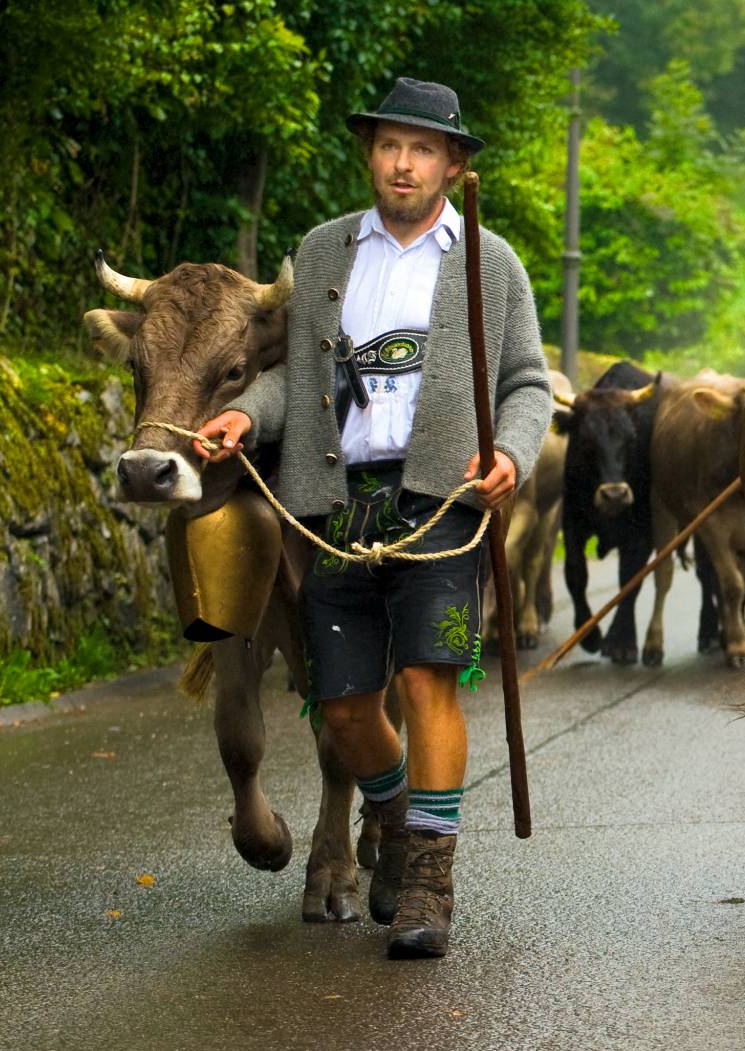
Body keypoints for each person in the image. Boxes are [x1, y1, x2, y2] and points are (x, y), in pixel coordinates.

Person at [195, 77, 552, 957]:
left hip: (442, 500)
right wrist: (247, 414)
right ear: (370, 154)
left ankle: (429, 881)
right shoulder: (324, 251)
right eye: (390, 145)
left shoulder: (490, 263)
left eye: (423, 149)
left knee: (429, 679)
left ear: (453, 164)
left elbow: (527, 382)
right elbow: (297, 381)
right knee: (344, 706)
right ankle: (391, 814)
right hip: (336, 505)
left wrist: (511, 452)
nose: (403, 163)